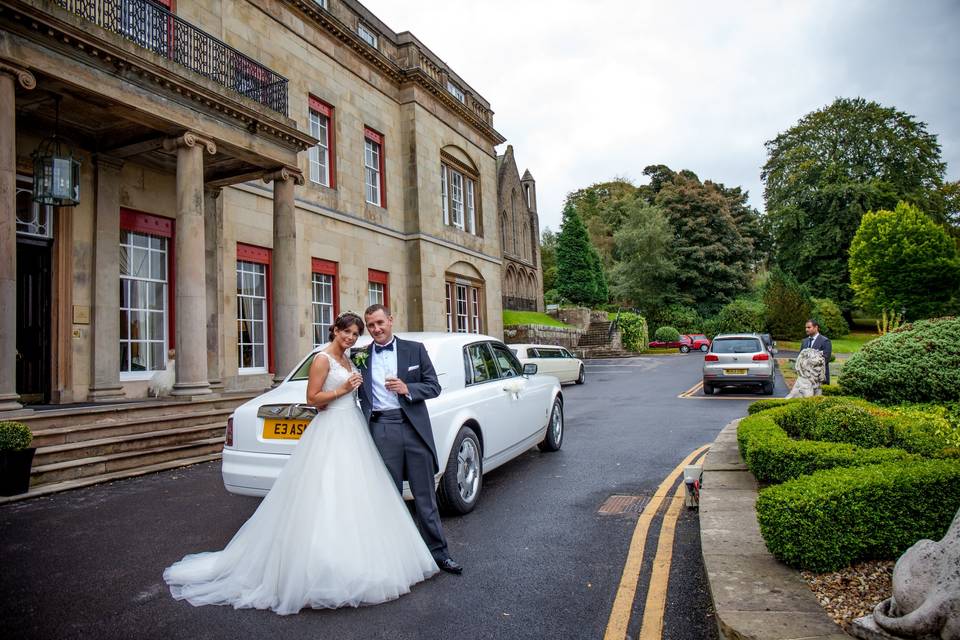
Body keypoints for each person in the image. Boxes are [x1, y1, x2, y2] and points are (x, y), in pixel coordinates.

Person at [162, 312, 438, 615]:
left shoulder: (352, 358)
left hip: (356, 430)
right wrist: (344, 389)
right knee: (323, 497)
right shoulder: (322, 359)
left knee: (360, 497)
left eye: (356, 332)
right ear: (333, 330)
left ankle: (373, 559)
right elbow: (312, 399)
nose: (350, 337)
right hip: (332, 430)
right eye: (346, 331)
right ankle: (319, 569)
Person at [358, 304, 463, 575]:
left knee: (425, 497)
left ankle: (440, 555)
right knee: (389, 498)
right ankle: (394, 559)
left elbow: (434, 386)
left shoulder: (414, 349)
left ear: (391, 321)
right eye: (371, 325)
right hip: (381, 430)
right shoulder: (360, 356)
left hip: (414, 429)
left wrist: (408, 389)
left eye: (380, 322)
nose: (376, 329)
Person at [801, 319, 833, 384]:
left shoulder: (825, 341)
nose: (806, 329)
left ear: (816, 327)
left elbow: (825, 359)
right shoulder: (804, 341)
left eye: (809, 327)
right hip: (805, 379)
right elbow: (801, 357)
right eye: (806, 328)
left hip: (819, 378)